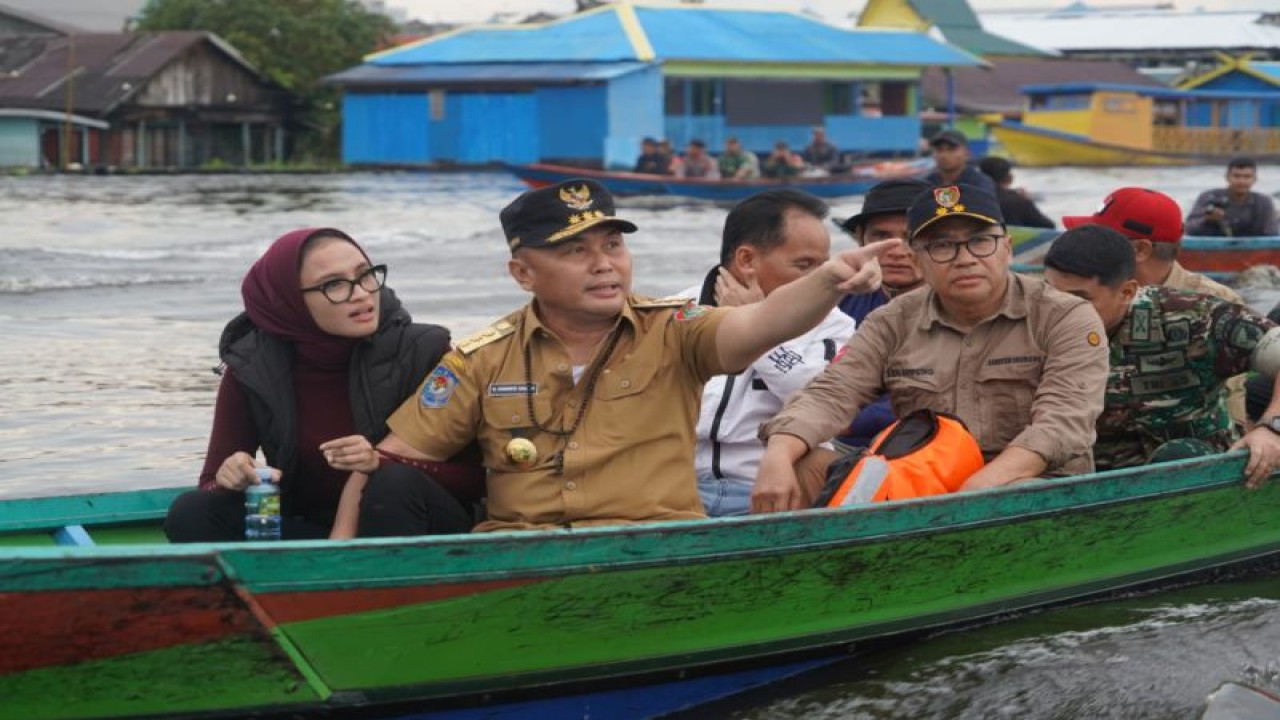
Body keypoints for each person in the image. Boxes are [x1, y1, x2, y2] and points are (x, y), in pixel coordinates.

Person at [338, 178, 898, 534]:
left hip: (652, 551)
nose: (604, 263)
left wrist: (828, 279)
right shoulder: (482, 358)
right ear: (523, 273)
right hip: (523, 561)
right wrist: (336, 554)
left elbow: (764, 322)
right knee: (392, 486)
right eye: (576, 251)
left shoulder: (677, 330)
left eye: (612, 245)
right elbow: (389, 464)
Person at [753, 183, 1109, 512]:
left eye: (980, 241)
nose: (965, 258)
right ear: (917, 259)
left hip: (1034, 484)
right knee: (802, 463)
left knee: (1017, 494)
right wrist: (778, 455)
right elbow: (832, 393)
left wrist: (981, 486)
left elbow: (1063, 421)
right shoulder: (893, 320)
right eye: (942, 246)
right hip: (925, 481)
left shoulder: (1065, 316)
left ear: (1006, 248)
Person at [164, 228, 484, 543]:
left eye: (366, 275)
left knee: (392, 482)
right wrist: (230, 478)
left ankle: (392, 588)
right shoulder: (253, 366)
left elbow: (482, 479)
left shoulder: (425, 351)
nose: (361, 294)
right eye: (334, 285)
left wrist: (383, 463)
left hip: (419, 523)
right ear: (289, 301)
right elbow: (209, 483)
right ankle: (293, 587)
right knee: (193, 511)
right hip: (315, 531)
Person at [1042, 223, 1280, 488]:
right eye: (1052, 294)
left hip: (1191, 477)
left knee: (1181, 455)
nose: (1060, 310)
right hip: (1083, 481)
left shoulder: (1189, 318)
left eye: (1079, 300)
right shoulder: (1033, 323)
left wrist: (1272, 428)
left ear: (1126, 292)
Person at [680, 190, 857, 516]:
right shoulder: (676, 313)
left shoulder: (835, 324)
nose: (821, 278)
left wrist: (758, 329)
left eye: (824, 265)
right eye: (805, 265)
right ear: (746, 260)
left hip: (773, 489)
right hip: (679, 488)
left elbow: (824, 398)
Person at [834, 178, 930, 448]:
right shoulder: (837, 298)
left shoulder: (963, 304)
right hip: (836, 440)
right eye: (881, 237)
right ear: (861, 239)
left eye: (910, 237)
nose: (896, 250)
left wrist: (837, 420)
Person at [1064, 187, 1242, 304]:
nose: (1086, 243)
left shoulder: (1219, 304)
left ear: (1140, 250)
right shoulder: (1077, 293)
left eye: (1098, 237)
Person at [1186, 157, 1278, 238]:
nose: (1241, 181)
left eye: (1247, 177)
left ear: (1255, 179)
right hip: (1212, 252)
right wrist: (1207, 220)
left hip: (1254, 253)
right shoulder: (1209, 197)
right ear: (1227, 177)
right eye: (1236, 176)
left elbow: (1272, 235)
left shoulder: (1263, 203)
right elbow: (1187, 229)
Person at [978, 156, 1054, 229]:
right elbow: (1049, 226)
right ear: (1009, 177)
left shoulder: (975, 198)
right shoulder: (1018, 200)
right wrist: (1027, 200)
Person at [925, 129, 995, 194]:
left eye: (951, 149)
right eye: (939, 150)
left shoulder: (979, 184)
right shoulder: (927, 183)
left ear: (967, 153)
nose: (943, 155)